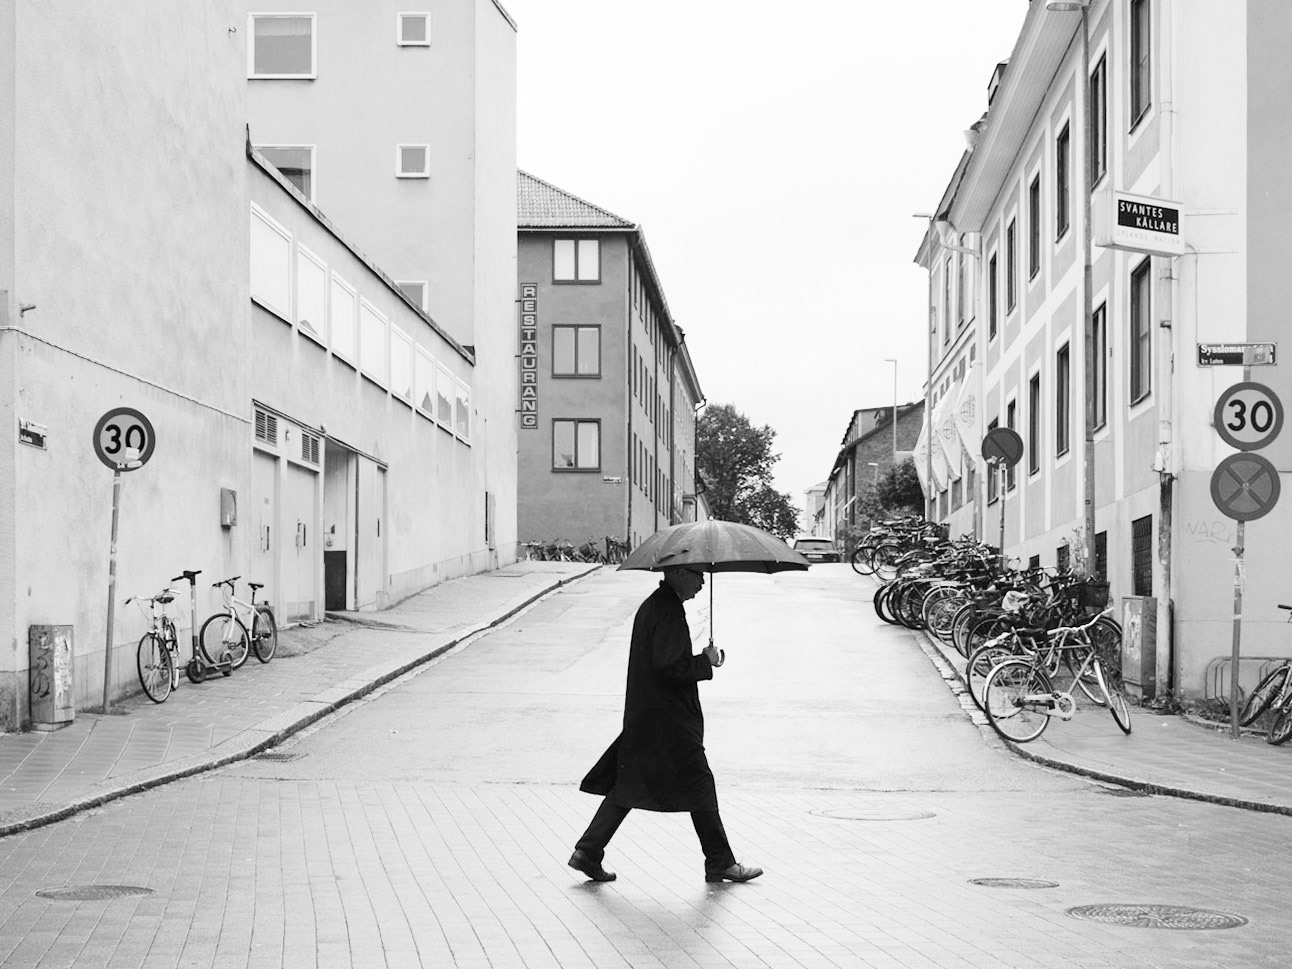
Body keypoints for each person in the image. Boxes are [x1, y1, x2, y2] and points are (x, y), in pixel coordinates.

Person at [568, 564, 762, 884]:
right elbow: (670, 667)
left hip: (650, 717)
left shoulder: (657, 605)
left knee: (629, 786)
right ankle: (720, 861)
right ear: (680, 573)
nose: (702, 583)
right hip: (669, 722)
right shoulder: (667, 610)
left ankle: (588, 851)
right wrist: (705, 661)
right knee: (699, 783)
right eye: (698, 575)